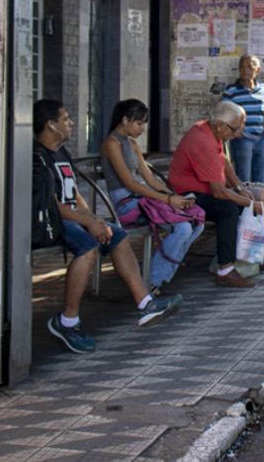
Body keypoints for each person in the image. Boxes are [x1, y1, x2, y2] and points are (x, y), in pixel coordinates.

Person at [34, 99, 182, 354]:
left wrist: (96, 219)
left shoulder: (61, 152)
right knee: (89, 247)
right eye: (66, 119)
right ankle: (67, 321)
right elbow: (53, 205)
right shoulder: (38, 157)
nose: (71, 123)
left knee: (118, 234)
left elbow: (75, 196)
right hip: (53, 221)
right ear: (51, 125)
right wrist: (89, 223)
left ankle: (145, 302)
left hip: (76, 218)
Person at [168, 101, 264, 289]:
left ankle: (256, 255)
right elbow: (218, 191)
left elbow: (223, 160)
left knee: (255, 198)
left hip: (204, 190)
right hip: (187, 196)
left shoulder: (211, 131)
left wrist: (240, 188)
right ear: (220, 125)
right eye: (235, 129)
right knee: (228, 210)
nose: (238, 133)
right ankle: (225, 270)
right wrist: (250, 204)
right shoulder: (202, 140)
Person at [100, 99, 205, 295]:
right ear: (124, 120)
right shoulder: (111, 144)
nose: (142, 128)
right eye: (139, 123)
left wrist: (173, 196)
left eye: (144, 123)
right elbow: (130, 183)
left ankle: (157, 275)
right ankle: (150, 281)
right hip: (127, 205)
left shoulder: (131, 145)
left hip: (143, 202)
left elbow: (149, 178)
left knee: (196, 223)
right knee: (182, 228)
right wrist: (166, 200)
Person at [222, 55, 264, 184]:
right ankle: (246, 204)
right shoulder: (231, 91)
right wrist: (235, 133)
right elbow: (223, 115)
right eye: (242, 67)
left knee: (262, 180)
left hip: (261, 139)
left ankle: (260, 203)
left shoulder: (263, 89)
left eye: (250, 66)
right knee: (244, 180)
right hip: (242, 139)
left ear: (258, 70)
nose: (245, 70)